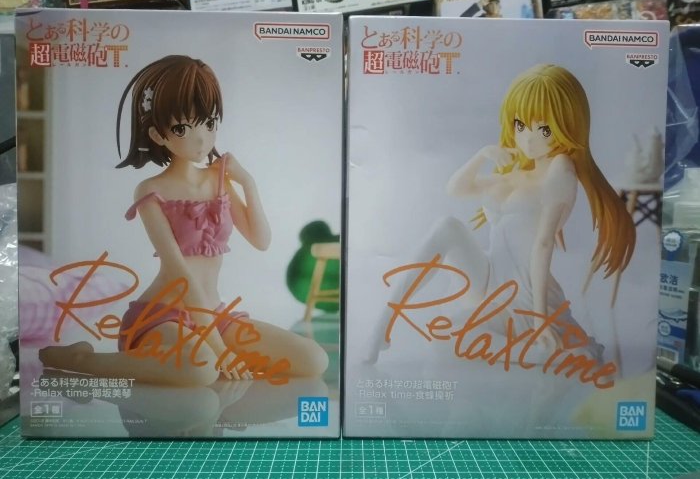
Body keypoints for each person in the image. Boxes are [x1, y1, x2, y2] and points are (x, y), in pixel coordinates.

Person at [39, 55, 329, 386]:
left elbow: (261, 241)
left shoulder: (219, 181)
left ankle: (199, 356)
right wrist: (220, 350)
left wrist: (247, 182)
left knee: (312, 360)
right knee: (202, 368)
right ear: (157, 134)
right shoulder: (151, 191)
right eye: (182, 128)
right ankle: (81, 359)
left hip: (214, 315)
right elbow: (179, 273)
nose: (201, 139)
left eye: (209, 123)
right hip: (160, 317)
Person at [367, 64, 635, 364]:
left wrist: (540, 317)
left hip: (525, 292)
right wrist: (482, 154)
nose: (528, 139)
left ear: (567, 125)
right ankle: (384, 322)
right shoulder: (517, 171)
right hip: (490, 279)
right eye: (521, 125)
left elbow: (543, 244)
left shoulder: (560, 170)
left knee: (453, 337)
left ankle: (541, 351)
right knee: (447, 227)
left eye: (543, 130)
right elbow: (456, 188)